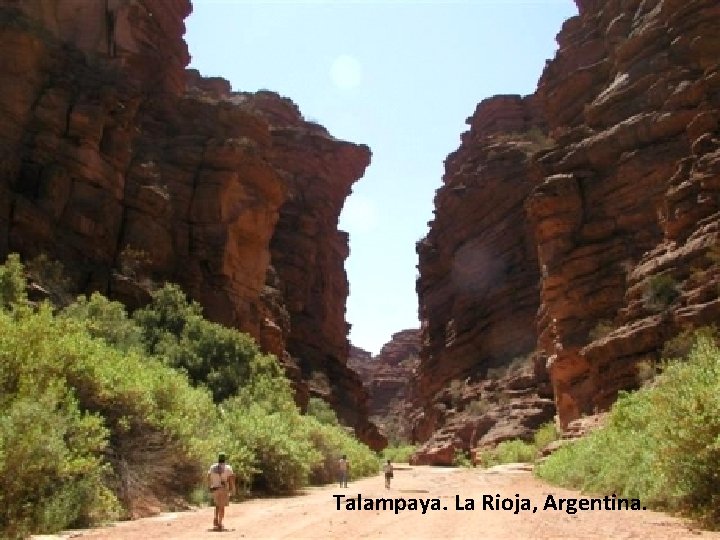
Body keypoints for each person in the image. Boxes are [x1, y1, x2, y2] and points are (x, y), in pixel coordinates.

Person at [207, 452, 235, 531]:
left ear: (218, 458)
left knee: (217, 505)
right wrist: (233, 488)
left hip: (214, 488)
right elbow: (231, 479)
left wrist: (209, 486)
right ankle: (219, 523)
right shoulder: (228, 468)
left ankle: (215, 517)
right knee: (222, 506)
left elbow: (208, 476)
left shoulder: (212, 467)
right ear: (224, 459)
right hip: (223, 489)